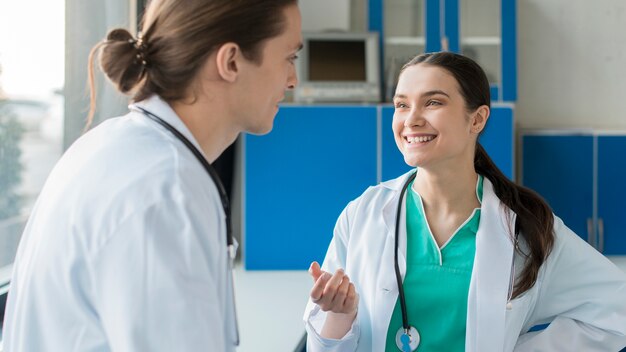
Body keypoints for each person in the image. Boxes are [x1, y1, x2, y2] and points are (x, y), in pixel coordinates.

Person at [3, 0, 302, 350]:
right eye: (289, 58)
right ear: (231, 61)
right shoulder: (165, 192)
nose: (294, 80)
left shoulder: (115, 146)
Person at [303, 52, 626, 352]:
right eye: (402, 105)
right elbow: (326, 340)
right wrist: (339, 314)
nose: (411, 119)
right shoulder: (364, 213)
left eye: (432, 102)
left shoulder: (526, 228)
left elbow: (616, 309)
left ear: (477, 119)